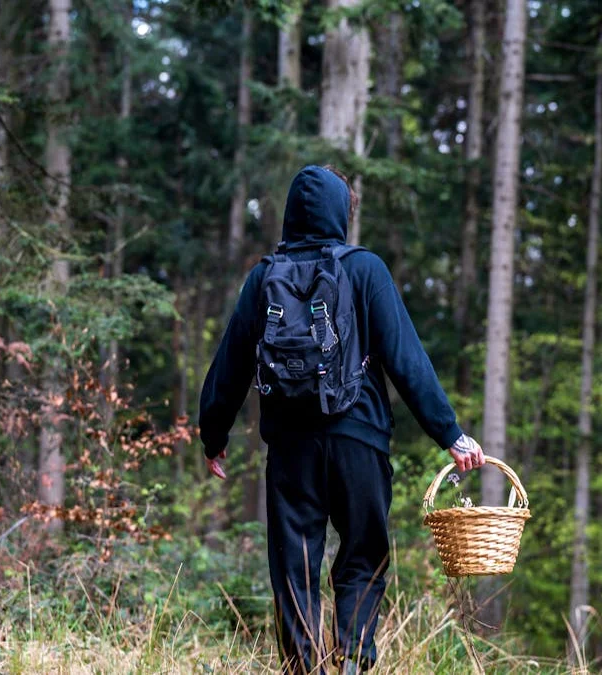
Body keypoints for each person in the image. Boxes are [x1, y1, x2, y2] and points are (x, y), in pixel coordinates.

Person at [197, 165, 484, 674]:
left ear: (291, 213)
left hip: (291, 449)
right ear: (340, 213)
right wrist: (450, 433)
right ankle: (353, 658)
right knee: (362, 556)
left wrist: (213, 433)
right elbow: (405, 358)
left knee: (295, 565)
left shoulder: (264, 277)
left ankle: (303, 667)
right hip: (360, 440)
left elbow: (230, 363)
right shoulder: (364, 268)